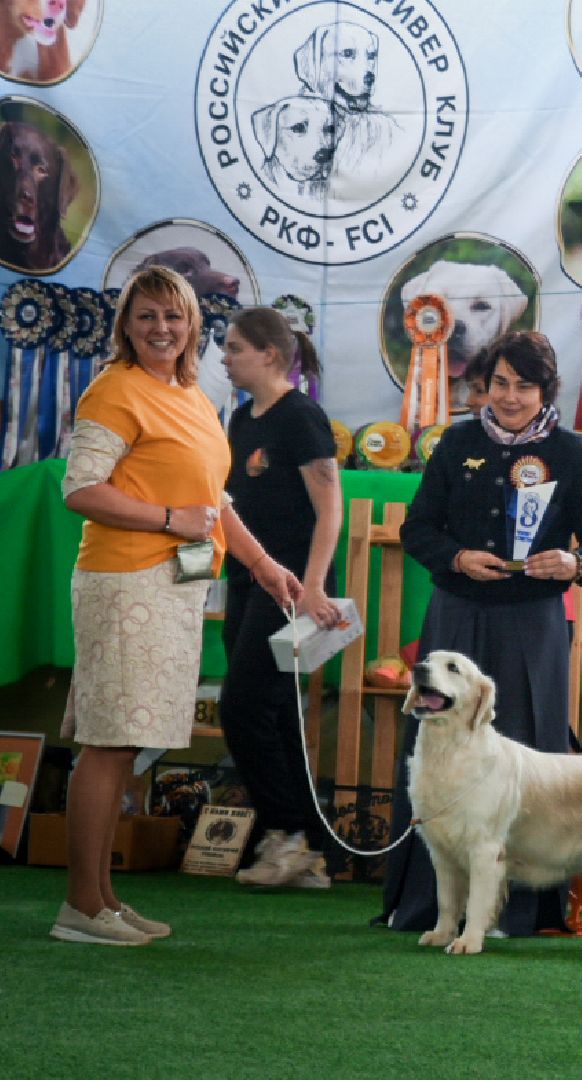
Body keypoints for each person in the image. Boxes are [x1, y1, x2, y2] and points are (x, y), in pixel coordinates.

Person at [55, 267, 300, 945]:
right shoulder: (114, 389)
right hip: (125, 581)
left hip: (177, 588)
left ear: (194, 324)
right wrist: (168, 517)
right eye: (146, 318)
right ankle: (80, 905)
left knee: (126, 738)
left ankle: (102, 898)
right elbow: (81, 490)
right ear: (126, 326)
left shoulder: (191, 392)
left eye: (173, 317)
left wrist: (264, 565)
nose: (161, 329)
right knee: (107, 742)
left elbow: (214, 505)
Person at [379, 330, 582, 937]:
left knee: (528, 752)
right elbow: (418, 529)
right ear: (485, 386)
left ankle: (522, 910)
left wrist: (575, 563)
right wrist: (457, 558)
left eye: (526, 385)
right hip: (457, 615)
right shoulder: (457, 442)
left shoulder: (571, 451)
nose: (511, 398)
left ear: (546, 389)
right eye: (501, 384)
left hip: (533, 623)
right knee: (437, 750)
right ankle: (427, 907)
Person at [218, 306, 343, 889]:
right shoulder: (241, 421)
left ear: (269, 354)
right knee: (273, 714)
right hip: (248, 583)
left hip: (293, 586)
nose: (225, 357)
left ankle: (287, 831)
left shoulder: (300, 417)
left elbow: (329, 507)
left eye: (235, 347)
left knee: (241, 709)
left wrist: (315, 585)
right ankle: (306, 848)